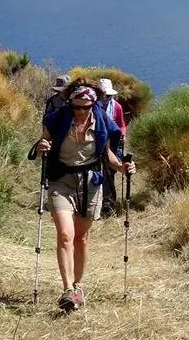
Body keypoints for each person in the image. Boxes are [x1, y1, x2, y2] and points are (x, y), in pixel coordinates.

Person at [36, 85, 134, 311]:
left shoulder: (100, 123)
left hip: (90, 183)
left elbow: (107, 156)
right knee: (65, 235)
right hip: (61, 181)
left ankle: (78, 286)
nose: (79, 111)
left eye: (84, 107)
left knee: (81, 238)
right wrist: (42, 147)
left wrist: (123, 168)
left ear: (93, 106)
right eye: (75, 107)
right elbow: (43, 146)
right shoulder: (58, 121)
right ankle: (68, 289)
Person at [96, 78, 129, 214]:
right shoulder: (92, 107)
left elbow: (121, 124)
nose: (106, 98)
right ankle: (95, 202)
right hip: (97, 144)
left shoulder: (116, 107)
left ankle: (108, 205)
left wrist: (122, 134)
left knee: (110, 172)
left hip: (113, 144)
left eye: (109, 96)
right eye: (104, 95)